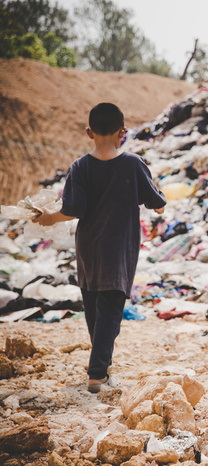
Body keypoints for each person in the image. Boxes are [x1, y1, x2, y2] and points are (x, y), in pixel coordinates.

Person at [34, 102, 166, 393]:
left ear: (88, 132)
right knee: (111, 308)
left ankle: (102, 366)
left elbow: (72, 210)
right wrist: (158, 206)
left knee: (94, 306)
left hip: (88, 247)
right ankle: (97, 374)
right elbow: (156, 202)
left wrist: (47, 219)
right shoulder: (133, 163)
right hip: (118, 248)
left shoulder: (80, 166)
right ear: (124, 132)